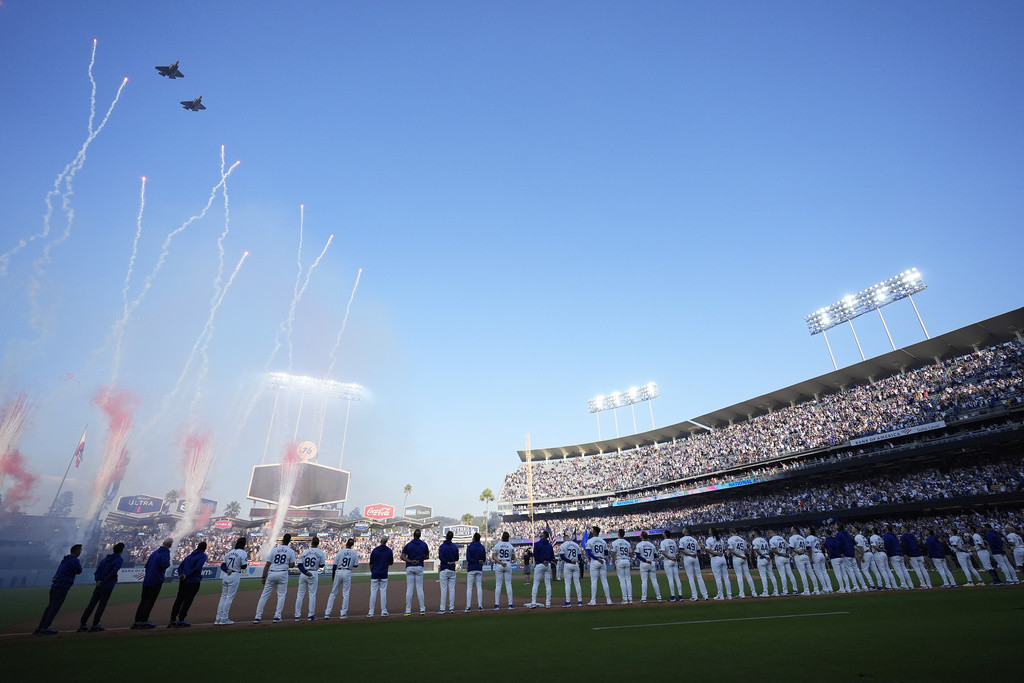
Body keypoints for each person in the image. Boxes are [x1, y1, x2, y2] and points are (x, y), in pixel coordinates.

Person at [35, 544, 83, 635]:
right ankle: (46, 627)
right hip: (62, 586)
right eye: (80, 550)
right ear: (76, 551)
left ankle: (41, 627)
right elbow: (79, 571)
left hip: (56, 585)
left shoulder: (64, 560)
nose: (81, 551)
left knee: (50, 607)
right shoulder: (74, 561)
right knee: (54, 607)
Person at [77, 542, 124, 632]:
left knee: (92, 604)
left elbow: (97, 571)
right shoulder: (119, 560)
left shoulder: (104, 560)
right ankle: (95, 624)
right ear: (121, 551)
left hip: (99, 584)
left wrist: (98, 580)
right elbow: (113, 572)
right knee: (101, 605)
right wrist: (104, 581)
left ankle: (83, 623)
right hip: (108, 585)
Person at [254, 533, 297, 623]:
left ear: (282, 540)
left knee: (264, 595)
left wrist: (263, 576)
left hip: (272, 573)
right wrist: (285, 563)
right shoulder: (290, 551)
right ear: (289, 541)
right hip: (282, 573)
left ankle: (257, 617)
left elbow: (268, 564)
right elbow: (292, 565)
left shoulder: (275, 550)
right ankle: (277, 616)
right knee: (281, 596)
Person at [132, 537, 172, 629]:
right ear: (170, 545)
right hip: (156, 580)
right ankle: (144, 620)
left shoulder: (154, 553)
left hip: (147, 579)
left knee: (143, 600)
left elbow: (147, 566)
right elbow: (164, 564)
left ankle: (137, 620)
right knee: (150, 601)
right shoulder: (165, 553)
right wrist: (168, 564)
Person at [169, 541, 208, 627]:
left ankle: (172, 619)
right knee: (188, 600)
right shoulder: (203, 556)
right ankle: (181, 619)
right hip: (193, 580)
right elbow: (198, 567)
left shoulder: (189, 556)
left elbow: (180, 567)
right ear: (205, 548)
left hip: (183, 580)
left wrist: (181, 575)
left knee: (179, 599)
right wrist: (187, 575)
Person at [216, 536, 248, 624]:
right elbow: (244, 566)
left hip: (226, 574)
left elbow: (222, 565)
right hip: (235, 574)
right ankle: (224, 618)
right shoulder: (243, 553)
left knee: (223, 597)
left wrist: (227, 570)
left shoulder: (229, 552)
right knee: (229, 597)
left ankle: (218, 618)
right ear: (244, 544)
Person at [325, 538, 359, 619]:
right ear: (352, 545)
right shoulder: (354, 553)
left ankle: (327, 613)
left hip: (339, 571)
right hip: (347, 572)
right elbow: (356, 565)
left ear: (346, 544)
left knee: (333, 593)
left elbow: (334, 565)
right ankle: (343, 613)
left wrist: (333, 576)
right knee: (346, 593)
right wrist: (350, 564)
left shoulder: (340, 551)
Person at [294, 536, 326, 621]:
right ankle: (311, 615)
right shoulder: (320, 552)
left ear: (311, 543)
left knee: (300, 595)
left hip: (304, 573)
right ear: (318, 543)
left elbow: (299, 565)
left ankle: (297, 616)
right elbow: (322, 565)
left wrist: (305, 572)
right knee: (312, 595)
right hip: (313, 573)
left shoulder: (305, 552)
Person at [401, 528, 430, 616]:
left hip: (410, 567)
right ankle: (422, 609)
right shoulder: (424, 544)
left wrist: (410, 561)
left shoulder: (409, 545)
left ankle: (408, 610)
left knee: (409, 589)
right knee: (419, 588)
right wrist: (419, 559)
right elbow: (427, 556)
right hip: (419, 566)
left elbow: (402, 556)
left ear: (413, 535)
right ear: (420, 535)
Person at [585, 526, 613, 606]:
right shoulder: (603, 541)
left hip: (595, 561)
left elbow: (589, 553)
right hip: (602, 561)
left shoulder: (590, 540)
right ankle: (609, 600)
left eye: (592, 530)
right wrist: (600, 557)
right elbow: (606, 553)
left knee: (594, 582)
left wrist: (596, 558)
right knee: (604, 581)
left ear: (594, 532)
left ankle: (593, 601)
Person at [679, 527, 708, 601]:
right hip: (695, 558)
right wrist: (694, 555)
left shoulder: (682, 539)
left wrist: (689, 554)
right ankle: (705, 595)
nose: (682, 530)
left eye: (683, 529)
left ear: (686, 531)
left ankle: (695, 596)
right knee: (699, 576)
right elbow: (699, 551)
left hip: (688, 557)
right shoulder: (694, 539)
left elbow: (681, 550)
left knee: (691, 577)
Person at [368, 535, 394, 617]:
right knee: (383, 592)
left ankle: (371, 612)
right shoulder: (389, 551)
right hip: (384, 573)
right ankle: (383, 611)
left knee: (373, 593)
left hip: (375, 573)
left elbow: (371, 563)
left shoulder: (375, 550)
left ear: (380, 541)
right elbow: (391, 562)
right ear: (386, 541)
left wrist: (372, 571)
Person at [727, 529, 757, 599]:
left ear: (730, 533)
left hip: (737, 558)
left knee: (739, 576)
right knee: (748, 575)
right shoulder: (742, 539)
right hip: (743, 557)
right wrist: (744, 556)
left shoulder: (730, 539)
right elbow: (746, 550)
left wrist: (739, 556)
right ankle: (754, 593)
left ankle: (742, 594)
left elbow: (731, 550)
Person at [788, 527, 819, 596]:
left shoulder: (792, 537)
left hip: (799, 556)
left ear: (794, 530)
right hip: (806, 556)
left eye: (792, 528)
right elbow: (808, 548)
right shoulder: (803, 538)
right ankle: (816, 589)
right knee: (811, 573)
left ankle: (806, 590)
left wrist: (798, 552)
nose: (790, 529)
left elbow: (791, 548)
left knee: (803, 574)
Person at [634, 531, 662, 603]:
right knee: (654, 580)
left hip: (644, 563)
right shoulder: (652, 545)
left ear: (641, 536)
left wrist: (645, 560)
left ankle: (644, 598)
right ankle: (659, 597)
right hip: (651, 562)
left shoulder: (639, 544)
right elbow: (655, 555)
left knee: (644, 581)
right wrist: (650, 559)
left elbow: (637, 555)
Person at [491, 531, 516, 609]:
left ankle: (496, 605)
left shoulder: (497, 545)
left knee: (498, 585)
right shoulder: (511, 546)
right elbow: (513, 557)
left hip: (499, 564)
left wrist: (500, 562)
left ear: (502, 537)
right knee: (508, 584)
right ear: (508, 538)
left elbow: (493, 556)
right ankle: (510, 604)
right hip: (508, 563)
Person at [530, 529, 554, 608]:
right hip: (547, 565)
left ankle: (533, 602)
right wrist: (547, 561)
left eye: (541, 533)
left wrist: (542, 561)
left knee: (536, 583)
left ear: (543, 535)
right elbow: (552, 556)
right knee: (548, 584)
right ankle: (548, 603)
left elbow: (535, 555)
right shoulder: (550, 544)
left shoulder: (537, 544)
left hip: (540, 564)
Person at [705, 528, 732, 601]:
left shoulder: (709, 539)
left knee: (718, 577)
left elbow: (707, 549)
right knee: (726, 577)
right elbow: (722, 550)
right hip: (722, 558)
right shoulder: (721, 540)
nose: (708, 531)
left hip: (715, 558)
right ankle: (729, 595)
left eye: (709, 530)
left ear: (711, 532)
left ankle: (721, 595)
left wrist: (715, 553)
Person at [805, 526, 833, 593]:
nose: (806, 530)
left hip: (815, 555)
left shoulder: (809, 537)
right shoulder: (816, 538)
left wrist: (810, 557)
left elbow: (809, 548)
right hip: (821, 554)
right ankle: (830, 588)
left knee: (819, 573)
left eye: (808, 529)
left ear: (810, 531)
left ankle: (825, 588)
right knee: (824, 572)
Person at [437, 530, 459, 614]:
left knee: (443, 589)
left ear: (446, 537)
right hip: (452, 569)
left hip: (444, 568)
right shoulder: (454, 547)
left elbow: (441, 557)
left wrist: (446, 562)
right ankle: (451, 608)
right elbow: (457, 558)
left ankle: (442, 609)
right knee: (452, 589)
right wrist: (451, 562)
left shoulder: (442, 546)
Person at [559, 532, 584, 607]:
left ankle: (568, 602)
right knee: (577, 583)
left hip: (568, 564)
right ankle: (580, 601)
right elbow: (579, 555)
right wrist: (576, 561)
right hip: (575, 564)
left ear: (564, 539)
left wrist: (570, 561)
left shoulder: (563, 545)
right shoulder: (576, 544)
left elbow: (562, 556)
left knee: (567, 584)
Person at [769, 530, 796, 595]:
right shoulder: (782, 538)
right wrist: (786, 554)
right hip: (786, 556)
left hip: (779, 557)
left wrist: (781, 554)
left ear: (771, 533)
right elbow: (787, 548)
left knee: (782, 575)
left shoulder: (772, 539)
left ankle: (785, 591)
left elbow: (774, 550)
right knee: (790, 574)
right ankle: (795, 590)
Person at [466, 532, 487, 611]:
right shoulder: (482, 547)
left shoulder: (470, 547)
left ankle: (468, 606)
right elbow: (484, 559)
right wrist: (478, 562)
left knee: (469, 588)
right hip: (479, 568)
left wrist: (475, 561)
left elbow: (468, 559)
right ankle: (480, 606)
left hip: (471, 568)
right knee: (479, 587)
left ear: (474, 538)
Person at [611, 529, 633, 604]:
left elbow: (613, 554)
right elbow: (631, 554)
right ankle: (630, 598)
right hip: (627, 561)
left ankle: (625, 599)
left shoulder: (615, 542)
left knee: (622, 580)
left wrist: (613, 563)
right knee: (628, 580)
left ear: (618, 534)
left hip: (619, 561)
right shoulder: (627, 543)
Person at [660, 529, 682, 601]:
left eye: (664, 533)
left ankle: (673, 596)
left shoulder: (663, 542)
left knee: (670, 579)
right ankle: (680, 596)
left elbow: (663, 552)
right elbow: (676, 551)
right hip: (674, 560)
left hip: (668, 560)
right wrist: (673, 558)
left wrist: (669, 558)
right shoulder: (673, 541)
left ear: (665, 534)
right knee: (677, 578)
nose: (663, 533)